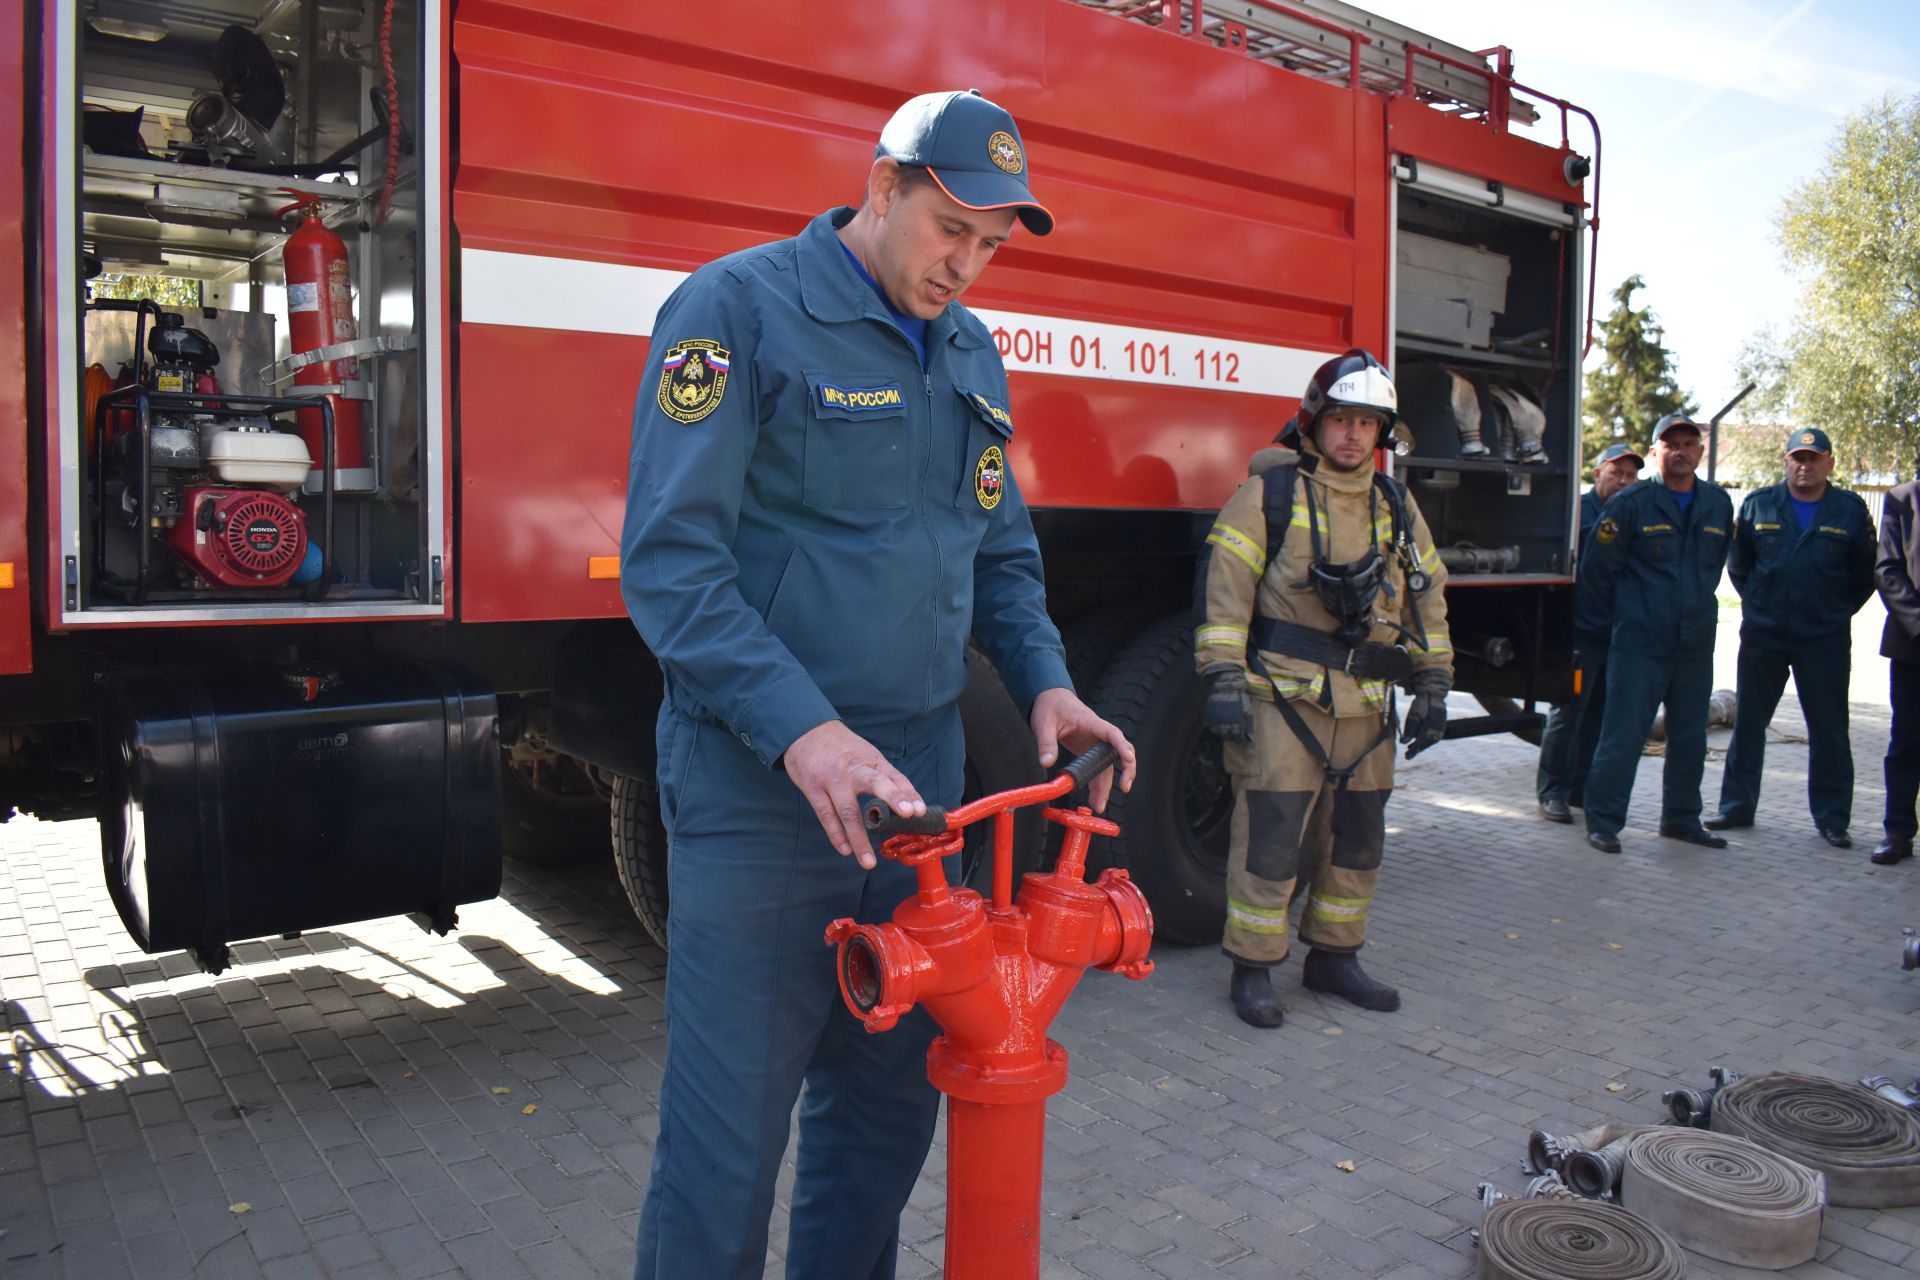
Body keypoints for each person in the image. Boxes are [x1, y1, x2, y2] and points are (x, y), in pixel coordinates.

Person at [619, 90, 1136, 1280]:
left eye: (993, 245)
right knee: (724, 1151)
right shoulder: (734, 310)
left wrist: (1049, 685)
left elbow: (998, 552)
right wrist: (807, 732)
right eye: (951, 227)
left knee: (882, 1127)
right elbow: (673, 568)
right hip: (765, 798)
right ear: (882, 184)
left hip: (920, 809)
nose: (968, 265)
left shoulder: (970, 351)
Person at [1193, 350, 1453, 1029]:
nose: (1353, 435)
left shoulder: (1396, 505)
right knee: (1271, 838)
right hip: (1285, 700)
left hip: (1367, 708)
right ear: (1313, 422)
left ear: (1382, 433)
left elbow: (1429, 594)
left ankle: (1335, 957)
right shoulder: (1268, 496)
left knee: (1357, 841)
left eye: (1367, 423)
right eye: (1341, 419)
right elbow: (1225, 594)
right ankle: (1252, 969)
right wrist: (1222, 678)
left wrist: (1433, 682)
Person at [1705, 428, 1874, 846]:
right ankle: (1736, 807)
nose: (1805, 465)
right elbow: (1739, 568)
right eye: (1798, 457)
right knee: (1749, 726)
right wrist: (1765, 606)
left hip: (1824, 638)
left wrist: (1833, 612)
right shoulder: (1760, 503)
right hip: (1765, 635)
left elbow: (1864, 575)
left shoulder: (1849, 510)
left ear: (1830, 463)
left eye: (1814, 458)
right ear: (1786, 461)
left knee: (1830, 728)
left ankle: (1833, 818)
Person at [1579, 413, 1736, 854]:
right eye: (1671, 444)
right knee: (1624, 734)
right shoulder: (1630, 504)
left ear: (1701, 452)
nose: (1681, 451)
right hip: (1639, 644)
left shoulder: (1718, 504)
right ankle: (1604, 821)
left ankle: (1682, 819)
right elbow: (1597, 571)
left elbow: (1718, 561)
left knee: (1690, 736)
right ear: (1655, 453)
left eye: (1689, 443)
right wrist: (1628, 617)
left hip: (1694, 644)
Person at [1537, 441, 1645, 822]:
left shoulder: (1638, 514)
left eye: (1631, 475)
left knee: (1601, 714)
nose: (1624, 481)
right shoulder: (1577, 512)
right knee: (1568, 713)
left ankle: (1581, 789)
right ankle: (1553, 791)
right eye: (1616, 472)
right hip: (1580, 632)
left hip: (1620, 633)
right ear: (1597, 473)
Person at [1873, 446, 1920, 865]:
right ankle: (1898, 832)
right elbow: (1888, 569)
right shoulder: (1903, 498)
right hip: (1914, 645)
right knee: (1906, 743)